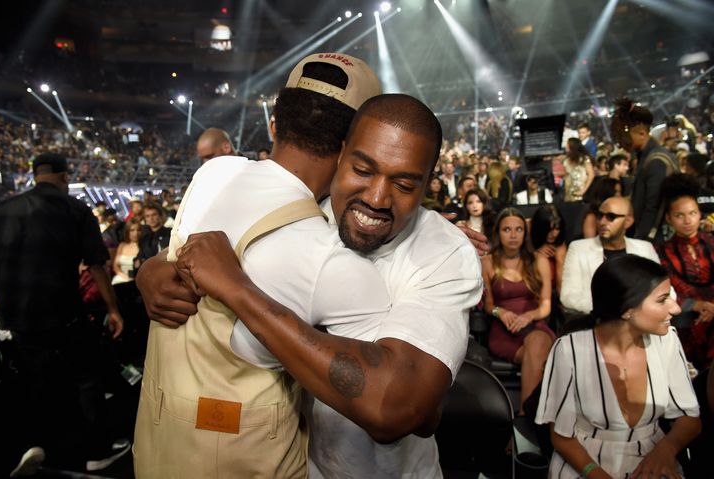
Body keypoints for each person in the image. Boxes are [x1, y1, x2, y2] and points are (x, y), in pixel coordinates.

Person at [142, 94, 483, 478]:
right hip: (304, 465)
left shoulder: (444, 252)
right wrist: (154, 268)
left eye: (404, 184)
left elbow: (403, 411)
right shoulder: (310, 217)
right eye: (363, 170)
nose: (376, 197)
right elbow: (209, 250)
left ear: (426, 186)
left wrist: (237, 289)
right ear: (340, 155)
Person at [133, 53, 389, 478]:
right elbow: (388, 401)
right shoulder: (326, 253)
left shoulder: (214, 174)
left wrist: (152, 265)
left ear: (276, 121)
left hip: (157, 445)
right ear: (352, 148)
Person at [0, 153, 128, 475]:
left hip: (15, 316)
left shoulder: (4, 210)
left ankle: (35, 445)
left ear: (35, 174)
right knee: (86, 376)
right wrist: (113, 309)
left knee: (31, 379)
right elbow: (96, 265)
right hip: (62, 312)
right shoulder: (76, 210)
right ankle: (95, 450)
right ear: (64, 176)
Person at [536, 255, 701, 479]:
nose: (676, 309)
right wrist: (596, 474)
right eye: (662, 299)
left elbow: (689, 418)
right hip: (585, 465)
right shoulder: (569, 350)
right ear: (627, 310)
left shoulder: (667, 341)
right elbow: (560, 436)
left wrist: (665, 449)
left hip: (652, 465)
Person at [482, 207, 554, 413]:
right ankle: (535, 417)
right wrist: (500, 312)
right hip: (504, 330)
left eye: (519, 229)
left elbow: (546, 305)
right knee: (539, 355)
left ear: (525, 233)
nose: (513, 235)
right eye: (507, 230)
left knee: (538, 341)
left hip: (535, 324)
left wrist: (529, 316)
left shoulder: (539, 261)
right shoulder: (487, 262)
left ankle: (524, 414)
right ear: (498, 233)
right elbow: (488, 306)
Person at [561, 196, 661, 315]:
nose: (602, 222)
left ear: (628, 221)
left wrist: (637, 310)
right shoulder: (579, 248)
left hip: (639, 320)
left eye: (611, 217)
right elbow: (568, 296)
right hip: (595, 321)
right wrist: (613, 310)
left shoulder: (644, 248)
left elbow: (665, 290)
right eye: (600, 215)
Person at [656, 174, 714, 370]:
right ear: (669, 218)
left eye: (693, 213)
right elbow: (668, 289)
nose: (687, 220)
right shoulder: (661, 251)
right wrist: (696, 304)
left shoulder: (712, 242)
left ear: (700, 214)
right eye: (680, 215)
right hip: (684, 318)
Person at [611, 97, 677, 242]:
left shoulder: (656, 161)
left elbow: (653, 207)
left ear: (642, 134)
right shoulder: (646, 157)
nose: (622, 143)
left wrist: (641, 240)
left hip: (655, 239)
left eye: (625, 136)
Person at [531, 205, 567, 296]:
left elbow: (562, 292)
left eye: (557, 229)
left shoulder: (561, 245)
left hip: (556, 297)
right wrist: (535, 253)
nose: (554, 234)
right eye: (550, 229)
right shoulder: (527, 239)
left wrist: (559, 260)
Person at [563, 137, 595, 202]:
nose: (566, 146)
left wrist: (584, 190)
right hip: (569, 192)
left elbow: (591, 174)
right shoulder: (566, 160)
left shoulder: (584, 159)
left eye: (567, 144)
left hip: (581, 190)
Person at [111, 220, 141, 284]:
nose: (136, 233)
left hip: (136, 279)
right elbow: (115, 266)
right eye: (132, 230)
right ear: (127, 232)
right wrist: (124, 277)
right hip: (121, 277)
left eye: (138, 230)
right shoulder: (122, 245)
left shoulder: (143, 246)